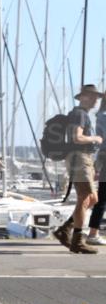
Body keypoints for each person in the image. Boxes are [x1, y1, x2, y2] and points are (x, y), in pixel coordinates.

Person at [52, 84, 104, 254]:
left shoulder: (82, 114)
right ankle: (78, 240)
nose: (95, 99)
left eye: (96, 97)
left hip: (84, 158)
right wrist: (95, 138)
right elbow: (77, 137)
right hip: (79, 158)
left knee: (93, 198)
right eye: (91, 96)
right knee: (85, 197)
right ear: (82, 97)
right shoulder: (79, 114)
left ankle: (65, 229)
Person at [86, 92, 106, 246]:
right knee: (102, 198)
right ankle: (92, 233)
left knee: (101, 197)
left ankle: (92, 232)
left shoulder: (101, 115)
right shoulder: (103, 116)